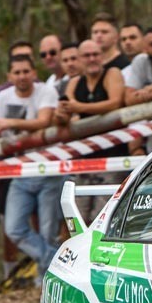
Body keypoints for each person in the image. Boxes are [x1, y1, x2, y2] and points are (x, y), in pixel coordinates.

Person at [0, 54, 62, 269]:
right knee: (14, 229)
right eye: (17, 72)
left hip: (49, 168)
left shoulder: (46, 91)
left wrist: (9, 122)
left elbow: (44, 121)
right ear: (9, 76)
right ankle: (58, 262)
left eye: (26, 71)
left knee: (48, 231)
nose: (22, 76)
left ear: (34, 73)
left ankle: (45, 279)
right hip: (20, 171)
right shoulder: (2, 97)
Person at [58, 40, 128, 220]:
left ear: (103, 57)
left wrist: (78, 107)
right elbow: (67, 110)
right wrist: (61, 115)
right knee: (79, 215)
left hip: (112, 158)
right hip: (84, 159)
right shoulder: (74, 82)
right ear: (80, 59)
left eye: (96, 55)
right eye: (87, 56)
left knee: (103, 217)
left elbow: (114, 103)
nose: (92, 59)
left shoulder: (112, 74)